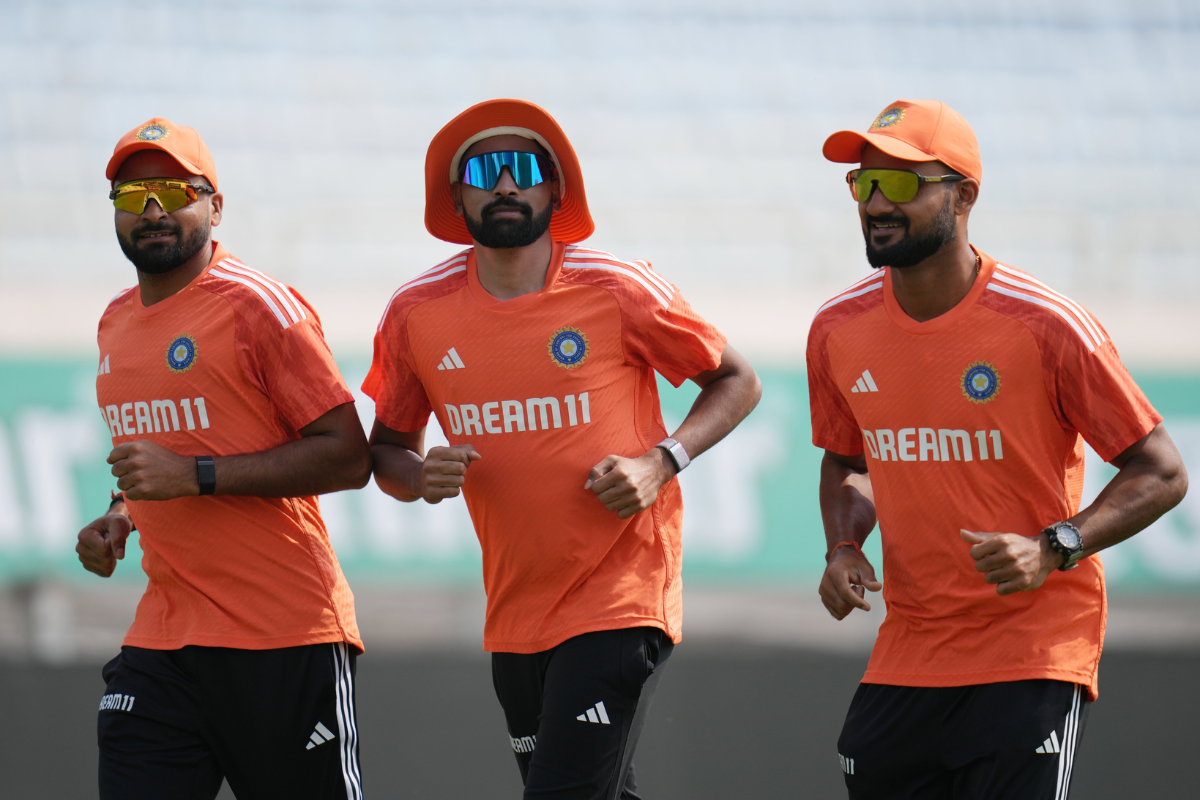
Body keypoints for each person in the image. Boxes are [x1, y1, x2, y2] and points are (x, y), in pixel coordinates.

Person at [363, 99, 761, 800]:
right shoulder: (415, 312)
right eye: (486, 170)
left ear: (555, 188)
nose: (506, 184)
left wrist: (661, 461)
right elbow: (386, 454)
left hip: (620, 596)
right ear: (458, 197)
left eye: (526, 168)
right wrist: (421, 475)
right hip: (515, 613)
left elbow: (738, 380)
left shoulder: (618, 287)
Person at [807, 99, 1189, 799]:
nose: (874, 204)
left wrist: (1054, 546)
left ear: (965, 195)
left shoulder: (1047, 324)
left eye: (899, 184)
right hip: (909, 651)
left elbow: (1161, 471)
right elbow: (847, 460)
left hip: (1032, 648)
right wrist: (842, 547)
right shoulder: (837, 327)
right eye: (863, 185)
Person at [79, 118, 371, 800]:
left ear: (214, 206)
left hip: (283, 634)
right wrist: (121, 513)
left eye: (173, 190)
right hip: (165, 637)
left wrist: (194, 479)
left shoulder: (260, 307)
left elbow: (348, 457)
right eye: (132, 194)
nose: (151, 209)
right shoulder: (114, 322)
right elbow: (166, 449)